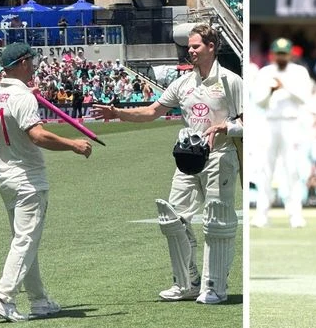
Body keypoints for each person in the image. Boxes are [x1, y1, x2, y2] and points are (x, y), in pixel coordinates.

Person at [93, 23, 242, 304]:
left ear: (211, 47)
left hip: (220, 158)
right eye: (189, 46)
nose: (191, 51)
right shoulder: (183, 83)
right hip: (188, 159)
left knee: (217, 223)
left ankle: (215, 287)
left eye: (196, 46)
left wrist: (226, 127)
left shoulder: (231, 81)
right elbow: (151, 111)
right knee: (174, 219)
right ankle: (187, 283)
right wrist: (117, 113)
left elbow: (249, 121)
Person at [0, 42, 92, 322]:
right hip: (27, 179)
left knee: (24, 241)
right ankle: (4, 297)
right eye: (31, 61)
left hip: (6, 176)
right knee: (25, 241)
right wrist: (73, 145)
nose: (34, 65)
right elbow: (38, 136)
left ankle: (39, 300)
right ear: (22, 63)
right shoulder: (22, 97)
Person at [251, 38, 313, 228]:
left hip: (291, 123)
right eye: (278, 53)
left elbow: (304, 97)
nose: (281, 57)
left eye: (284, 53)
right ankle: (262, 214)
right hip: (270, 122)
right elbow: (259, 101)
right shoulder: (265, 72)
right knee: (265, 170)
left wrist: (285, 86)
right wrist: (271, 90)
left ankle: (295, 214)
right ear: (273, 54)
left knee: (292, 169)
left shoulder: (299, 72)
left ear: (290, 54)